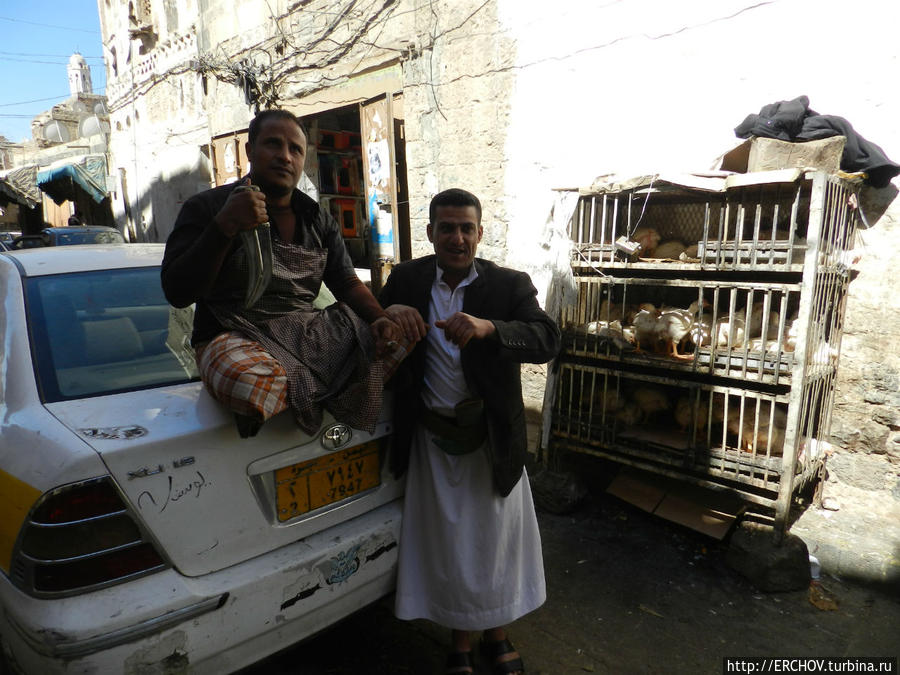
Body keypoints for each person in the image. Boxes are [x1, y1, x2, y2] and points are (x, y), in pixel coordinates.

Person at [379, 188, 561, 675]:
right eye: (446, 228)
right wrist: (386, 316)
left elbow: (547, 339)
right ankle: (458, 642)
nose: (456, 238)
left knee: (494, 544)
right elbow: (373, 329)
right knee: (448, 546)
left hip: (491, 440)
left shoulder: (508, 285)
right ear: (431, 233)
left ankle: (496, 636)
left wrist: (490, 329)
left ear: (480, 232)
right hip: (432, 441)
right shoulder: (406, 279)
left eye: (466, 228)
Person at [162, 109, 400, 437]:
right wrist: (225, 225)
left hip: (305, 336)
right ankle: (328, 385)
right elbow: (177, 292)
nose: (285, 157)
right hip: (236, 338)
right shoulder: (207, 208)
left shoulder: (318, 218)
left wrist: (379, 319)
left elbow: (345, 281)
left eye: (296, 150)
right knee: (246, 382)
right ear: (250, 150)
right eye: (273, 145)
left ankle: (302, 388)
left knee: (398, 340)